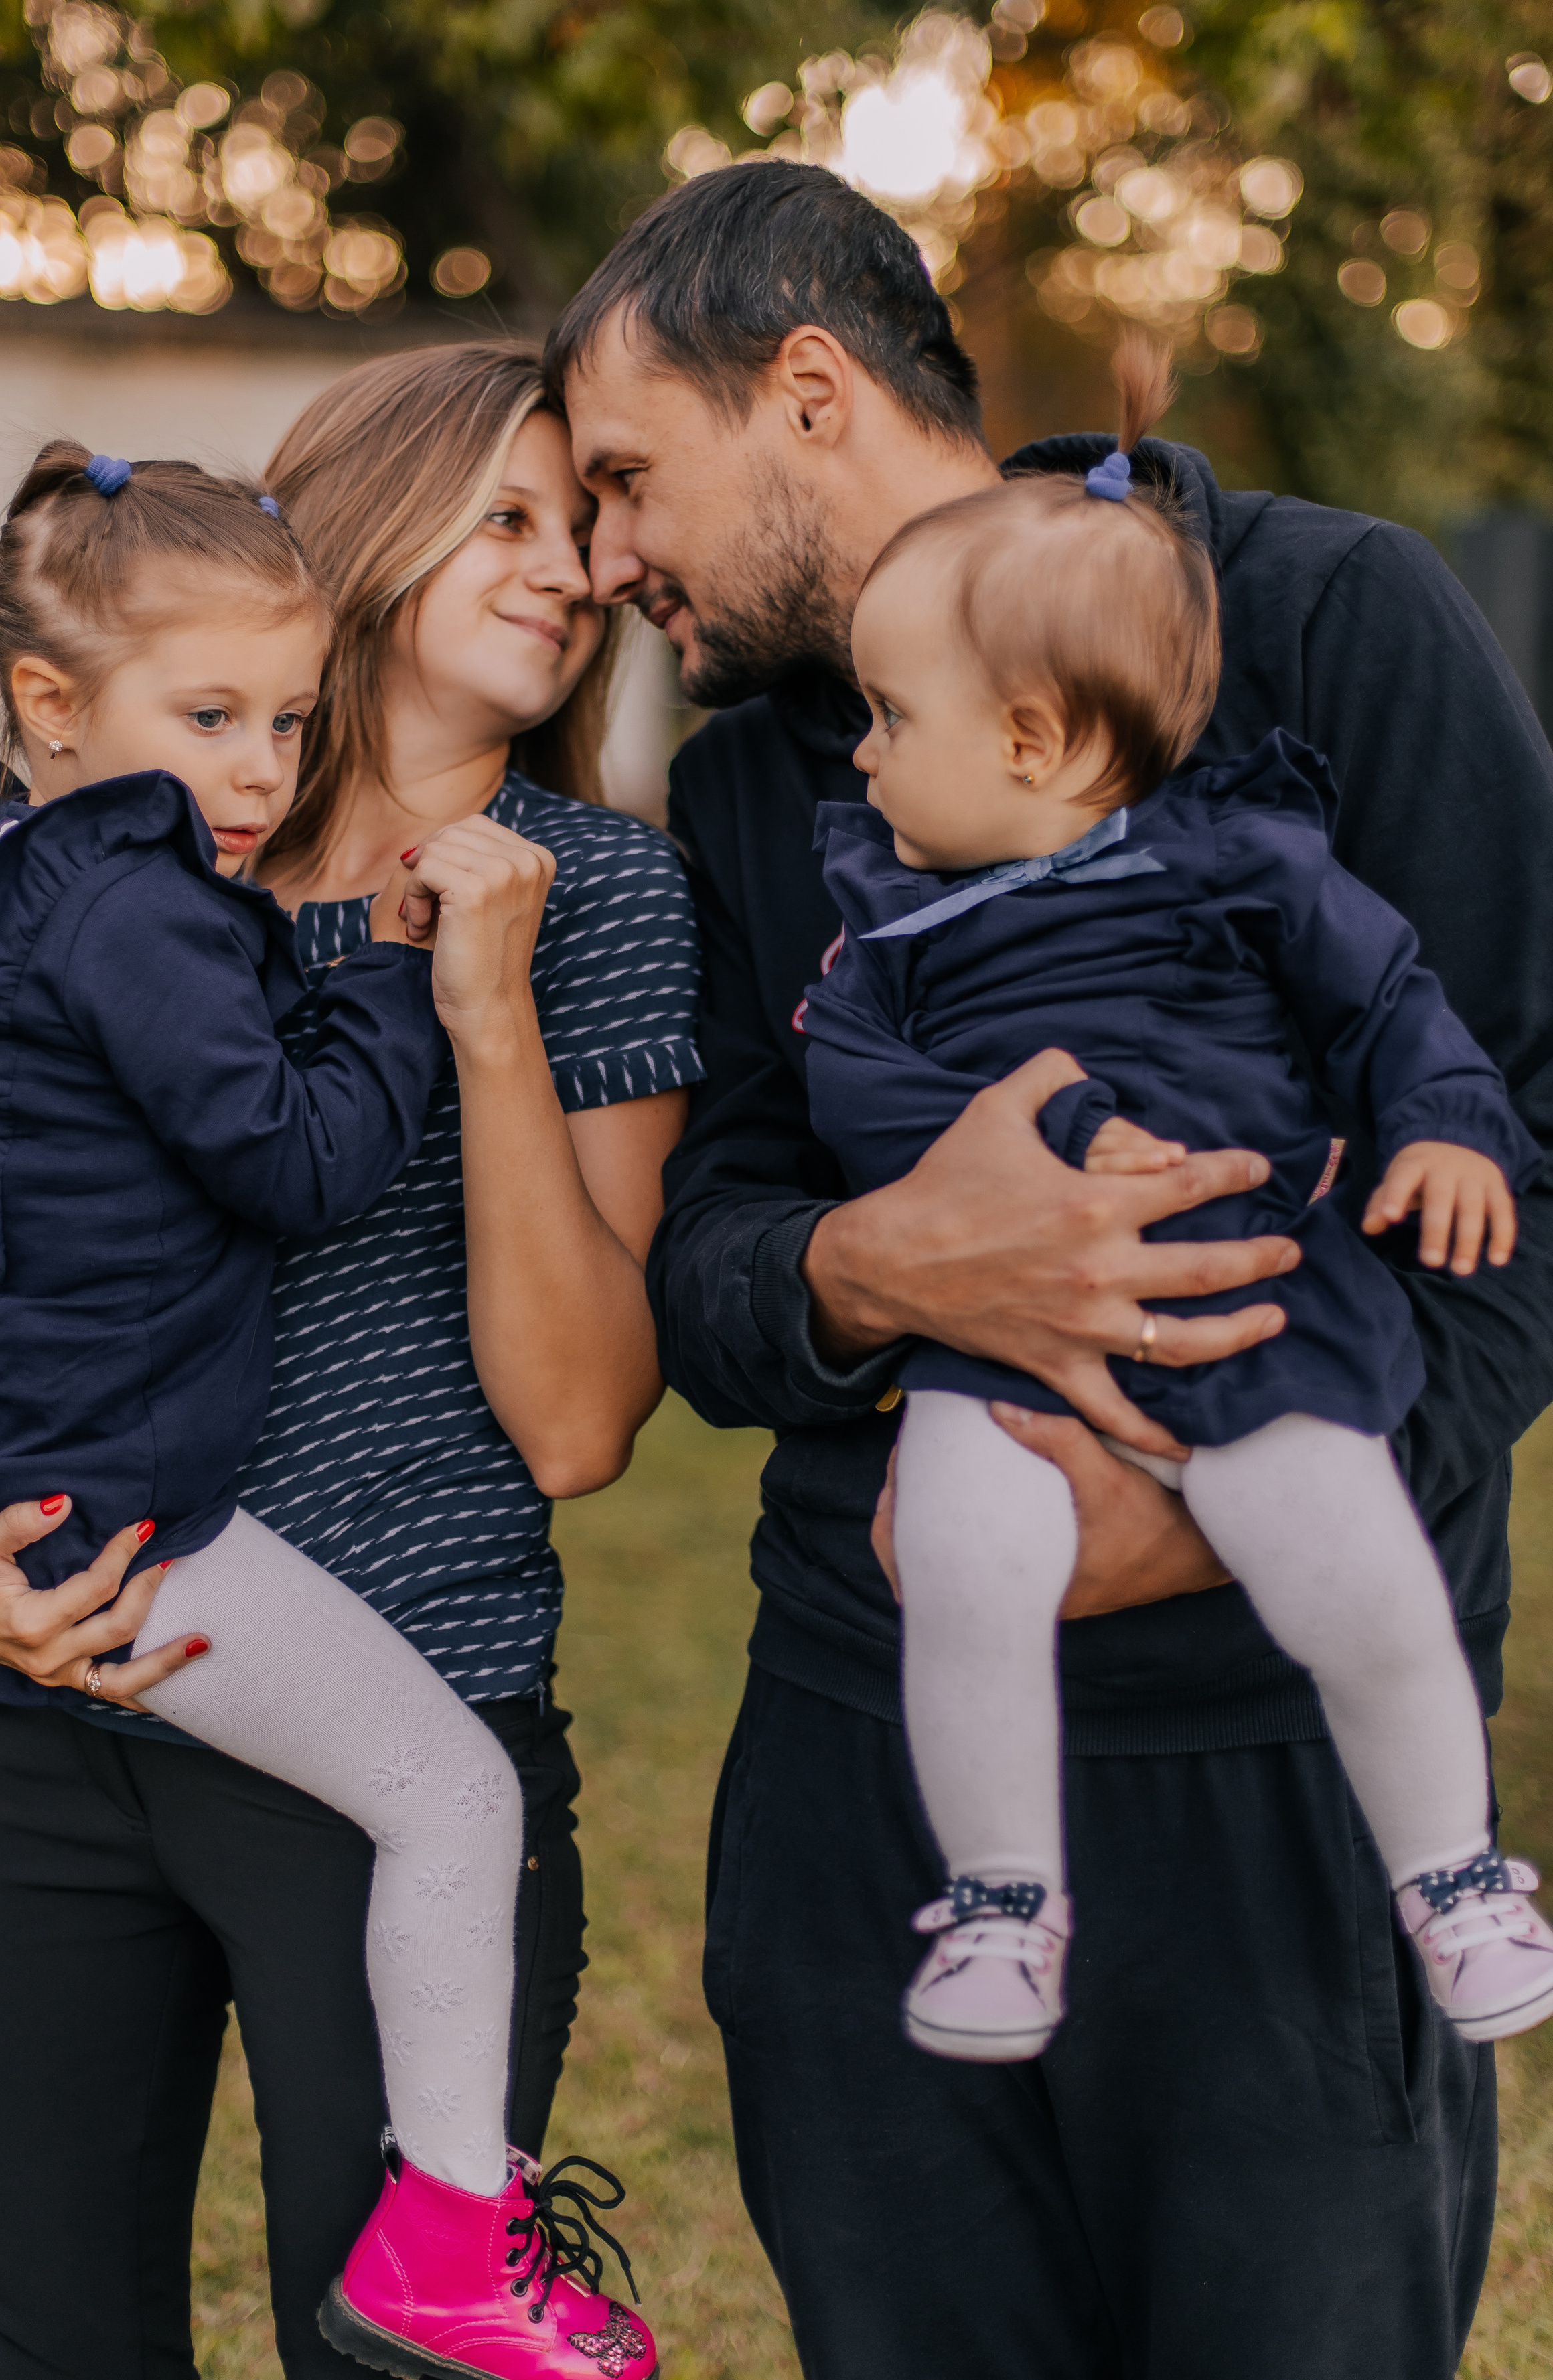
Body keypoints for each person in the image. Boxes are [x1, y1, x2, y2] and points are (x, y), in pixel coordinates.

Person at [545, 161, 1553, 2377]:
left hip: (1282, 1788)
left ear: (808, 389)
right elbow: (711, 1273)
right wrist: (880, 1260)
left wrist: (1201, 1494)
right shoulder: (741, 801)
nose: (608, 561)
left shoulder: (1331, 623)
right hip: (864, 1780)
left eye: (627, 479)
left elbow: (1528, 1148)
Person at [0, 347, 698, 2380]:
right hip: (65, 1714)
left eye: (582, 523)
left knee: (386, 2350)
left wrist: (474, 1001)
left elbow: (580, 1425)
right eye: (510, 512)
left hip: (389, 1705)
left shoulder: (605, 890)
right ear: (364, 531)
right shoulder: (111, 872)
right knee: (52, 2344)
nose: (569, 569)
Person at [798, 345, 1553, 2065]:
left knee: (1355, 1572)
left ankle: (1449, 1871)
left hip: (1250, 1309)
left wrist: (1443, 1128)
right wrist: (1046, 1128)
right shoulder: (893, 915)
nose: (858, 756)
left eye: (891, 718)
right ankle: (999, 1899)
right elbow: (855, 1081)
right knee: (967, 1567)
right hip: (1007, 1353)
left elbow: (1393, 1004)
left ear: (1034, 739)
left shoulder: (1239, 855)